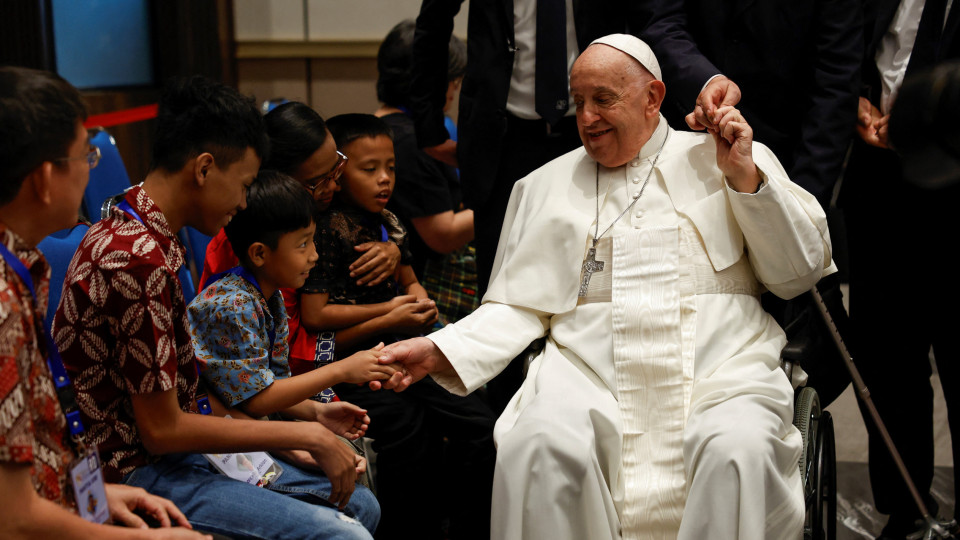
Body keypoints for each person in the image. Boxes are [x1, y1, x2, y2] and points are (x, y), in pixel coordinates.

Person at [380, 34, 835, 539]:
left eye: (603, 99)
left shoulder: (727, 156)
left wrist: (745, 181)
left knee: (737, 448)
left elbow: (799, 272)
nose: (587, 118)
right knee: (539, 443)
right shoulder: (542, 186)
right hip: (589, 377)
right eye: (578, 103)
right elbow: (514, 307)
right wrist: (438, 348)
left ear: (653, 97)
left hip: (721, 372)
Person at [52, 75, 380, 539]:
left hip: (180, 447)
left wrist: (307, 420)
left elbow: (191, 392)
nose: (244, 201)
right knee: (344, 531)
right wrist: (300, 435)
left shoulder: (143, 225)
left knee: (358, 502)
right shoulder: (137, 258)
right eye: (244, 183)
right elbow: (162, 432)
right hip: (137, 470)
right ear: (204, 168)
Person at [0, 65, 207, 539]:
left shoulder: (22, 264)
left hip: (67, 492)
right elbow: (12, 520)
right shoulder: (3, 301)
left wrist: (89, 494)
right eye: (85, 155)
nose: (92, 166)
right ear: (44, 179)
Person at [314, 113, 497, 540]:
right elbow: (315, 316)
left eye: (391, 168)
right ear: (338, 172)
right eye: (369, 169)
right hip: (361, 359)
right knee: (416, 435)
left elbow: (413, 284)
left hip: (408, 345)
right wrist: (392, 313)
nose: (384, 180)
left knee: (480, 422)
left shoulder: (391, 222)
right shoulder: (327, 230)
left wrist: (415, 300)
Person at [840, 1, 960, 537]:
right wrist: (858, 101)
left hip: (955, 182)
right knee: (885, 354)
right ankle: (908, 507)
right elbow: (852, 52)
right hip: (881, 180)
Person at [199, 101, 403, 379]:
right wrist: (383, 320)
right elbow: (288, 357)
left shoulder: (325, 209)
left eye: (337, 168)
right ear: (278, 181)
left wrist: (393, 248)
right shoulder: (255, 250)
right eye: (319, 181)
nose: (334, 185)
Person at [189, 170, 395, 424]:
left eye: (313, 242)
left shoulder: (269, 295)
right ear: (259, 254)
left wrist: (318, 412)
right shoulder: (235, 305)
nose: (314, 256)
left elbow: (275, 386)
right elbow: (257, 400)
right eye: (302, 244)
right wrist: (342, 370)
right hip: (207, 421)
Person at [375, 20, 478, 327]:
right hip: (418, 291)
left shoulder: (379, 124)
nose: (454, 93)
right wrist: (502, 199)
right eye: (453, 83)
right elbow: (442, 235)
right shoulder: (410, 142)